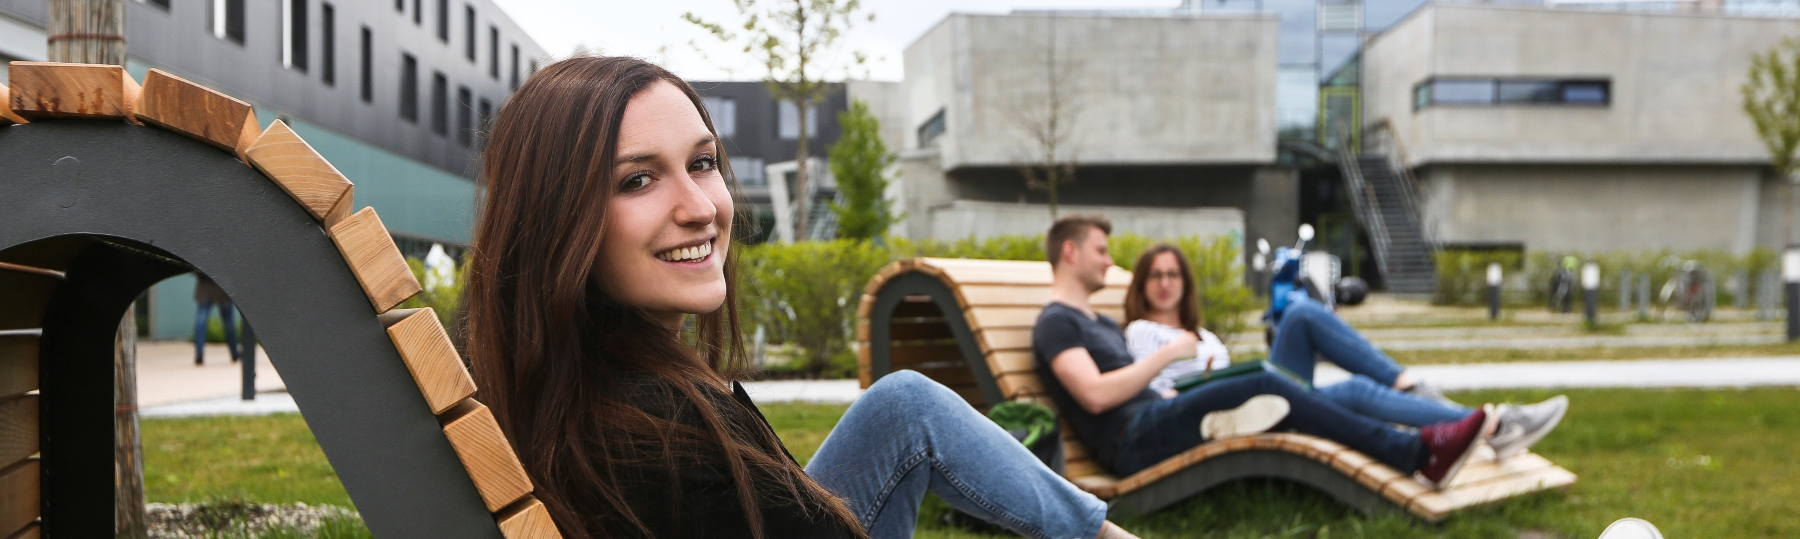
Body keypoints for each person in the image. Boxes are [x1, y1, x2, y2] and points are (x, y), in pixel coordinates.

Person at [461, 56, 1140, 539]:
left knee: (903, 405)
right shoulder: (661, 438)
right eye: (638, 180)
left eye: (702, 163)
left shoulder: (563, 376)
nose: (701, 207)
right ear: (555, 218)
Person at [1032, 215, 1489, 489]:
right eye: (1101, 251)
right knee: (1269, 383)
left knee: (1272, 383)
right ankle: (1414, 452)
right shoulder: (1057, 321)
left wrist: (1171, 395)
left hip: (1155, 418)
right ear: (1071, 252)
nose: (1110, 261)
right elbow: (1093, 395)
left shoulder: (1102, 323)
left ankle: (1425, 436)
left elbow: (1132, 388)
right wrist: (1167, 356)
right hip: (1130, 442)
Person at [1120, 244, 1567, 459]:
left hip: (1255, 400)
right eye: (1155, 275)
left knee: (1312, 333)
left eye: (1173, 275)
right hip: (1225, 415)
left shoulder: (1202, 333)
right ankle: (1480, 417)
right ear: (1142, 285)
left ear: (1184, 284)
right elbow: (1154, 395)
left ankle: (1461, 411)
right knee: (1309, 330)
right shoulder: (1141, 332)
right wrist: (1178, 352)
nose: (1164, 283)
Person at [192, 274, 239, 365]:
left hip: (205, 283)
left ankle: (199, 353)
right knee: (228, 319)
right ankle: (234, 353)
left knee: (201, 317)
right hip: (222, 283)